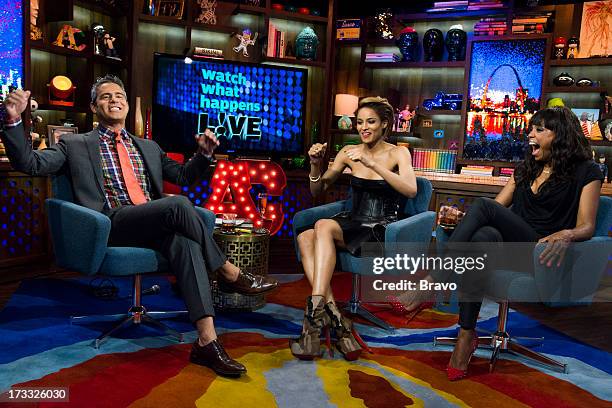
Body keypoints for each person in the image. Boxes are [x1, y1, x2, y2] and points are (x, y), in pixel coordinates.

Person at [0, 75, 278, 378]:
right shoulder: (74, 144)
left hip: (152, 220)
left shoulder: (147, 146)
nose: (115, 100)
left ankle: (207, 342)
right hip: (111, 222)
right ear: (94, 106)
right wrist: (14, 121)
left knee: (184, 241)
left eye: (119, 95)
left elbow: (183, 176)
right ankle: (227, 271)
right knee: (179, 204)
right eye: (106, 97)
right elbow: (31, 164)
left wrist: (205, 155)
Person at [397, 106, 603, 381]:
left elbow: (587, 225)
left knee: (482, 209)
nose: (530, 134)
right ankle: (466, 335)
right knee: (482, 239)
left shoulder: (587, 171)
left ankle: (435, 279)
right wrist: (464, 218)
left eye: (539, 130)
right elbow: (495, 210)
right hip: (510, 247)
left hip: (541, 252)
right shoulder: (527, 168)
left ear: (561, 135)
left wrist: (567, 234)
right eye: (531, 128)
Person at [291, 96, 418, 360]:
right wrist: (315, 164)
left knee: (322, 226)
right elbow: (318, 190)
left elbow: (411, 189)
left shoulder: (398, 153)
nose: (364, 127)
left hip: (381, 228)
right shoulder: (348, 152)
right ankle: (337, 319)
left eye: (371, 122)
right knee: (305, 236)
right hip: (353, 220)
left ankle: (316, 317)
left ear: (385, 124)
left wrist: (372, 164)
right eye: (360, 122)